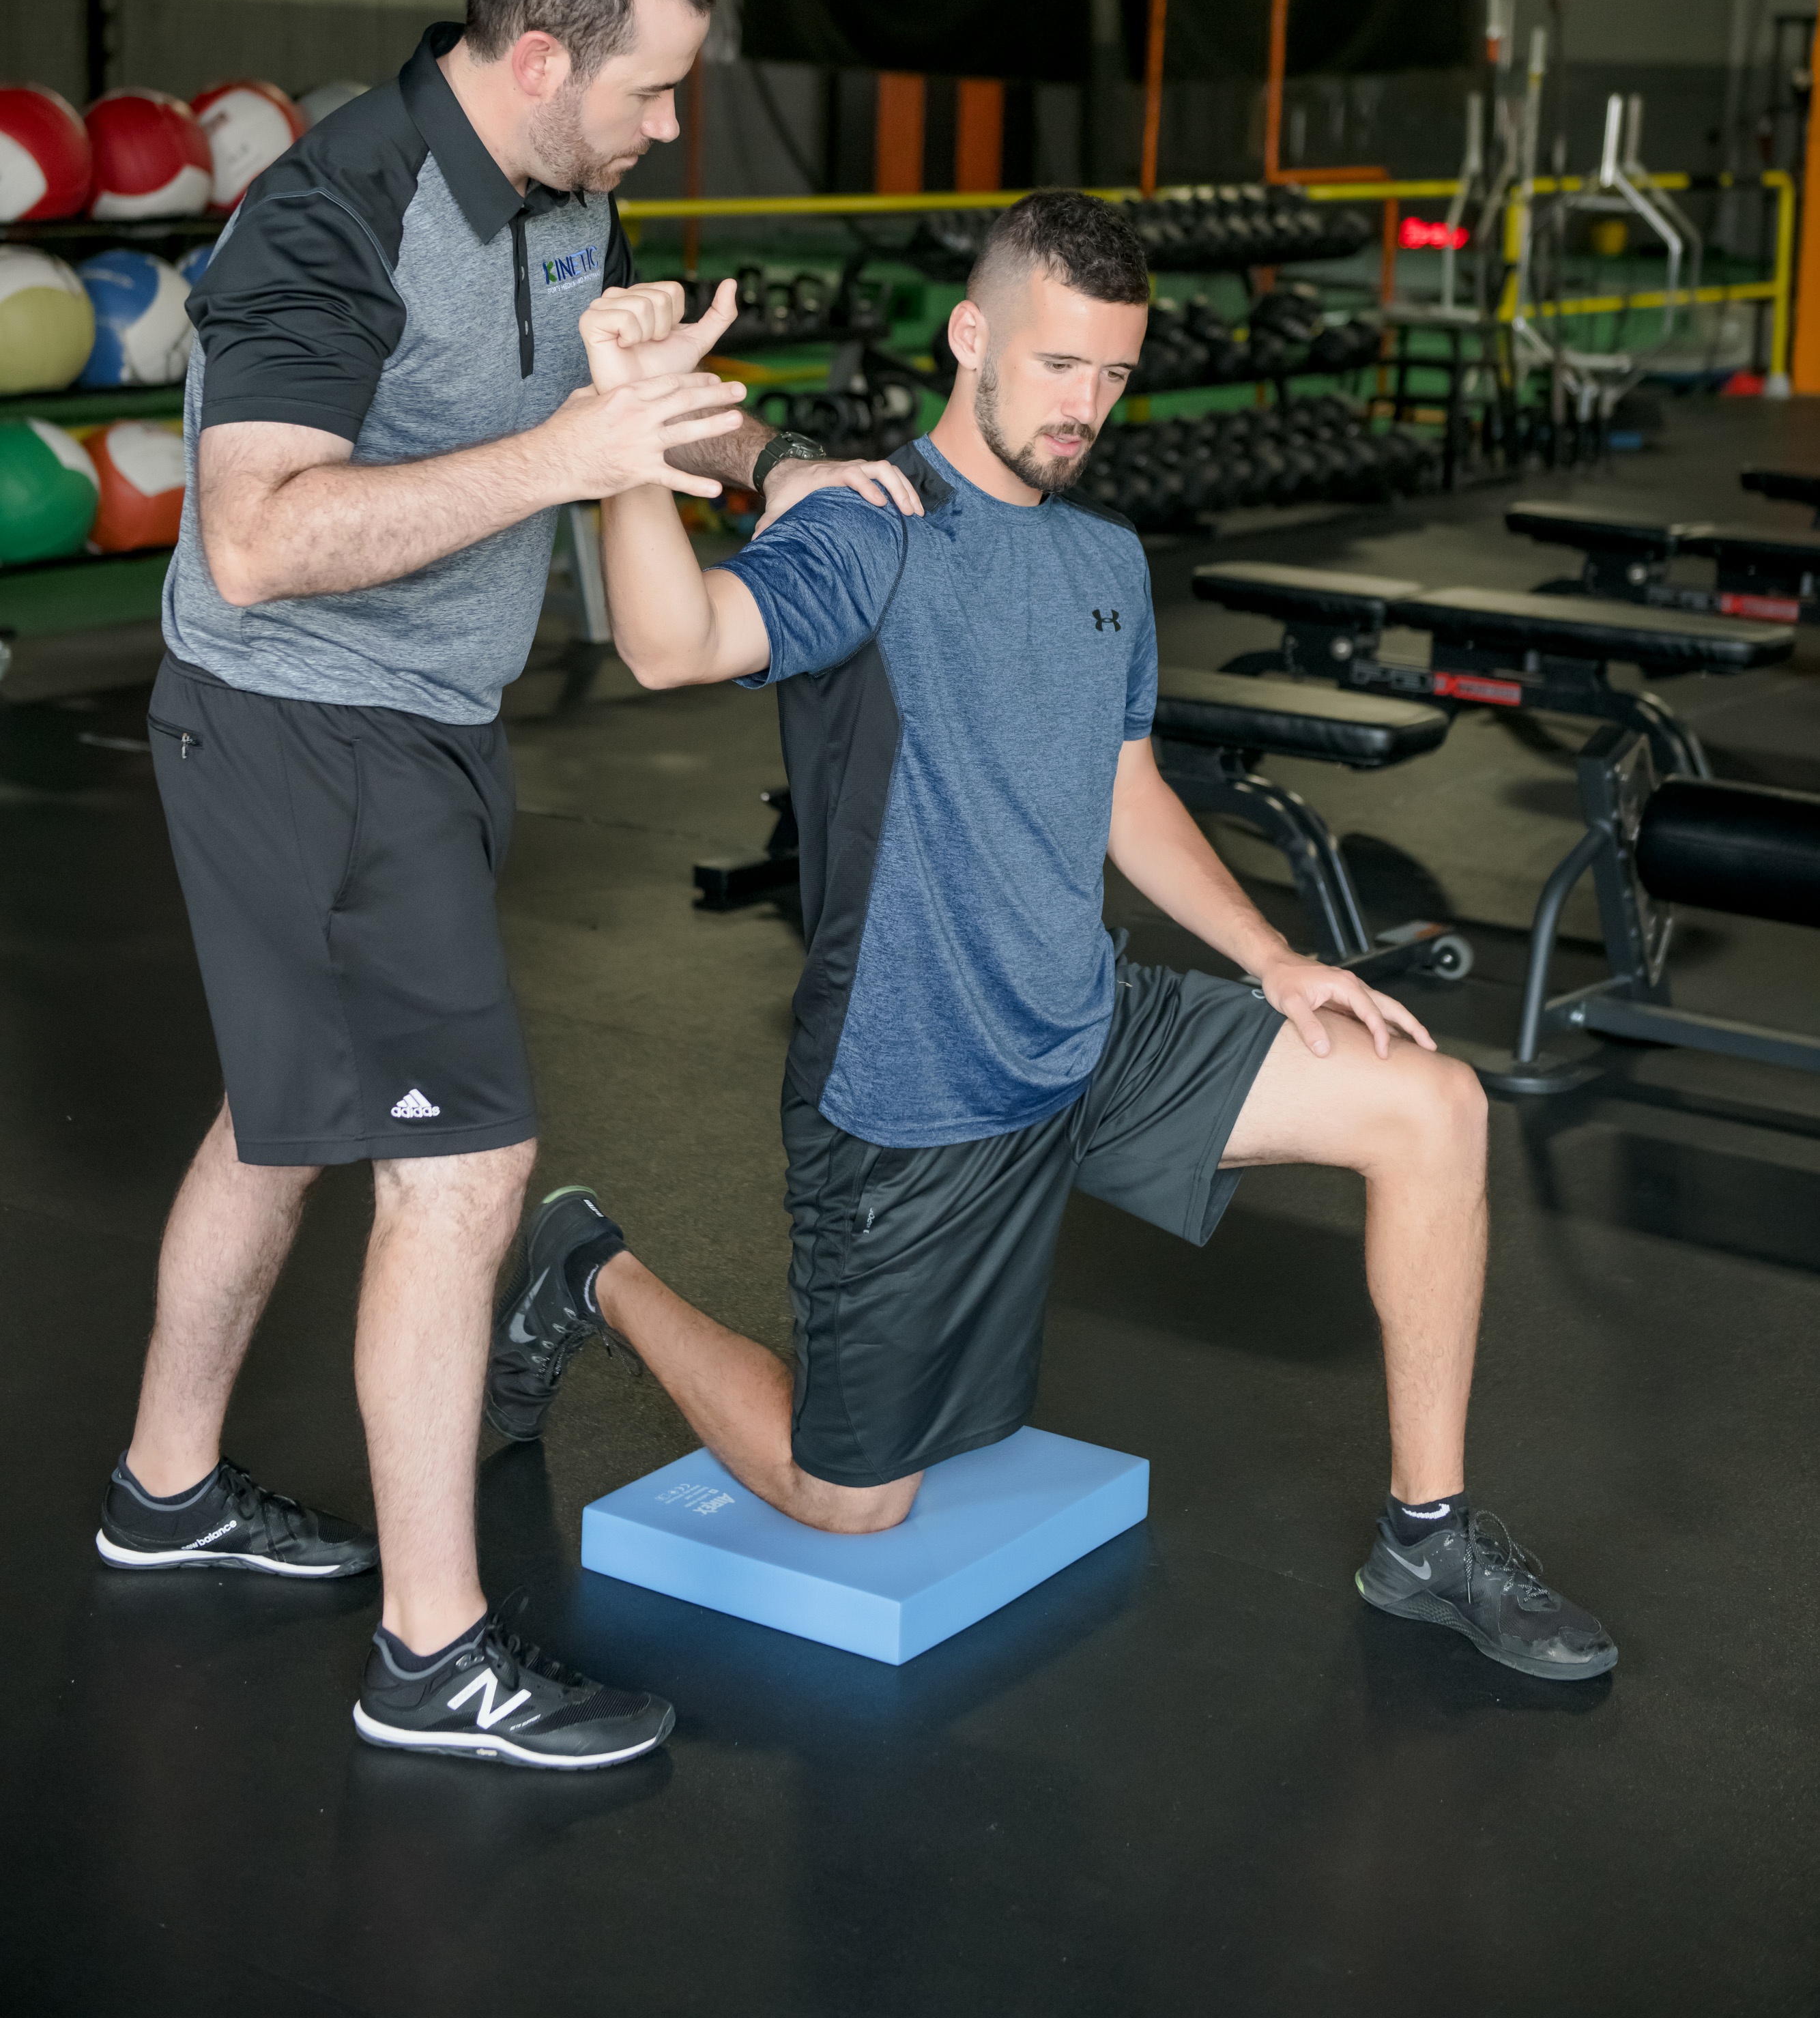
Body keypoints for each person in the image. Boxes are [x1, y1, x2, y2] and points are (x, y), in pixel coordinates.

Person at [489, 188, 1617, 1684]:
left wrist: (1268, 955)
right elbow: (670, 640)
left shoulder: (1098, 563)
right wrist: (629, 448)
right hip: (911, 1087)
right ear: (970, 338)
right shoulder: (865, 526)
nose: (1082, 406)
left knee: (1430, 1103)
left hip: (1082, 1026)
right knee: (849, 1497)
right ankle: (588, 1262)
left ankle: (1426, 1531)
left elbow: (1121, 786)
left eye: (1111, 375)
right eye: (1054, 365)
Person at [102, 0, 914, 1772]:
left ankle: (164, 1488)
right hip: (309, 733)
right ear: (541, 55)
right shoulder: (329, 218)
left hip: (423, 729)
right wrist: (564, 458)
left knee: (281, 1123)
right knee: (466, 1165)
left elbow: (607, 400)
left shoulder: (561, 185)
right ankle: (432, 1653)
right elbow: (258, 534)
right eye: (648, 91)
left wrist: (777, 464)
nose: (663, 127)